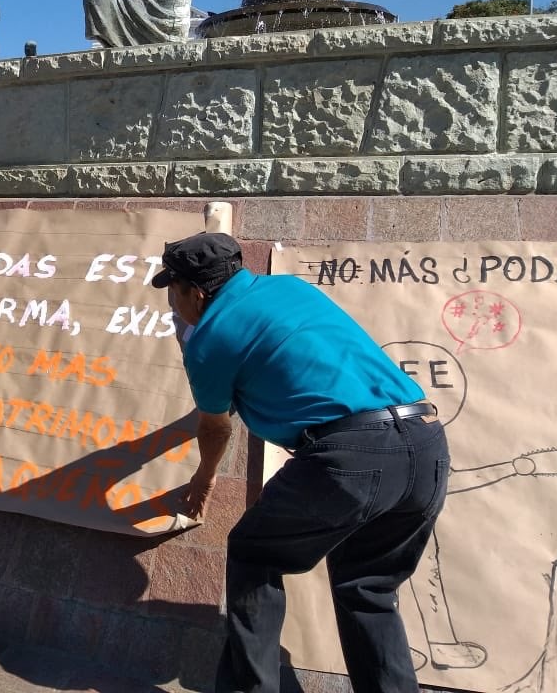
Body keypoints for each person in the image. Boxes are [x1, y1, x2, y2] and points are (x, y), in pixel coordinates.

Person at [152, 233, 449, 693]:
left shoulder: (208, 338)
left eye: (173, 292)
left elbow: (215, 425)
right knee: (367, 590)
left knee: (254, 551)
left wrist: (204, 479)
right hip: (426, 443)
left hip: (349, 455)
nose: (172, 304)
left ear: (196, 292)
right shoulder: (291, 288)